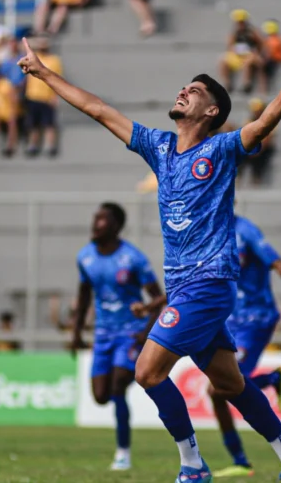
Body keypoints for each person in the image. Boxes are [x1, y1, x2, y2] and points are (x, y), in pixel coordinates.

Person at [17, 35, 281, 481]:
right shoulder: (158, 148)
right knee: (230, 383)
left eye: (194, 91)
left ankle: (193, 466)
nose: (183, 91)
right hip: (184, 287)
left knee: (147, 370)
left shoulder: (219, 150)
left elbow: (260, 125)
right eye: (184, 86)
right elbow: (98, 109)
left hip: (208, 283)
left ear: (211, 112)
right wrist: (43, 73)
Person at [212, 214, 281, 477]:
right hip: (229, 318)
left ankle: (275, 380)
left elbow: (277, 263)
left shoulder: (246, 231)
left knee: (220, 386)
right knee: (217, 389)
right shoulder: (208, 229)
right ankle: (240, 460)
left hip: (256, 318)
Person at [72, 202, 167, 471]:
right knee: (101, 396)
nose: (95, 224)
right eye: (95, 218)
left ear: (115, 226)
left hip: (129, 334)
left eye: (101, 219)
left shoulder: (133, 258)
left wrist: (145, 334)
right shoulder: (85, 256)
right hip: (103, 335)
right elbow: (83, 295)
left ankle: (122, 453)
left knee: (117, 387)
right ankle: (125, 377)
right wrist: (76, 332)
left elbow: (158, 299)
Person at [23, 36, 64, 158]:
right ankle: (33, 145)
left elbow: (58, 78)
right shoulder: (34, 58)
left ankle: (50, 146)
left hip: (47, 97)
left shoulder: (54, 60)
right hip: (33, 95)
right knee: (33, 124)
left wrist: (55, 96)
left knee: (49, 123)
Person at [219, 10, 265, 95]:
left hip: (250, 55)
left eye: (241, 22)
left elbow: (261, 43)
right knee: (223, 60)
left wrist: (257, 52)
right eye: (238, 23)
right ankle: (227, 84)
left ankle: (246, 85)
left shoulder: (252, 31)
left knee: (247, 62)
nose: (240, 24)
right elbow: (230, 45)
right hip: (237, 55)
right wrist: (233, 50)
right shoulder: (234, 32)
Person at [239, 98, 276, 187]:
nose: (256, 112)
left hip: (263, 148)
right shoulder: (248, 121)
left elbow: (268, 139)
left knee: (260, 158)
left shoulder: (270, 122)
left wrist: (258, 150)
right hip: (252, 147)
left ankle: (257, 179)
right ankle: (238, 178)